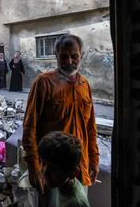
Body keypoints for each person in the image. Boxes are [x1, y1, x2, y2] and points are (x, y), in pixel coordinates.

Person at [22, 34, 99, 205]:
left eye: (74, 56)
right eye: (64, 56)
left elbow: (90, 127)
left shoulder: (85, 85)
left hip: (78, 165)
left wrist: (94, 160)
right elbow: (29, 126)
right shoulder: (43, 83)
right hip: (51, 170)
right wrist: (33, 165)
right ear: (56, 56)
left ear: (81, 56)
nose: (69, 61)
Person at [38, 131, 90, 207]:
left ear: (73, 173)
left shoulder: (75, 204)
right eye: (43, 163)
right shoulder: (62, 183)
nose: (45, 172)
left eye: (55, 169)